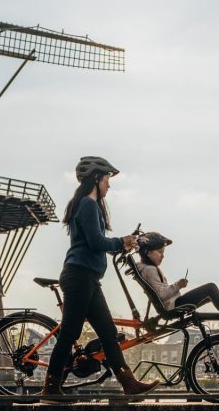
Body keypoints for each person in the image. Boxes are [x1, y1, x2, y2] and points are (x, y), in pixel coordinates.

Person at [41, 156, 159, 397]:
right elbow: (96, 242)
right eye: (107, 179)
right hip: (79, 276)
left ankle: (129, 384)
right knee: (70, 333)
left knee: (107, 333)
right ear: (96, 178)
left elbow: (95, 241)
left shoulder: (87, 204)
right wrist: (120, 241)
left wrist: (120, 244)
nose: (109, 185)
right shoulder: (87, 204)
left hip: (89, 278)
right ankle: (51, 386)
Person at [136, 232, 219, 331]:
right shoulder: (150, 270)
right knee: (210, 288)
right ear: (148, 252)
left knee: (211, 295)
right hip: (175, 306)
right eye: (160, 252)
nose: (163, 255)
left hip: (173, 305)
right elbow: (162, 294)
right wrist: (178, 285)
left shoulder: (146, 269)